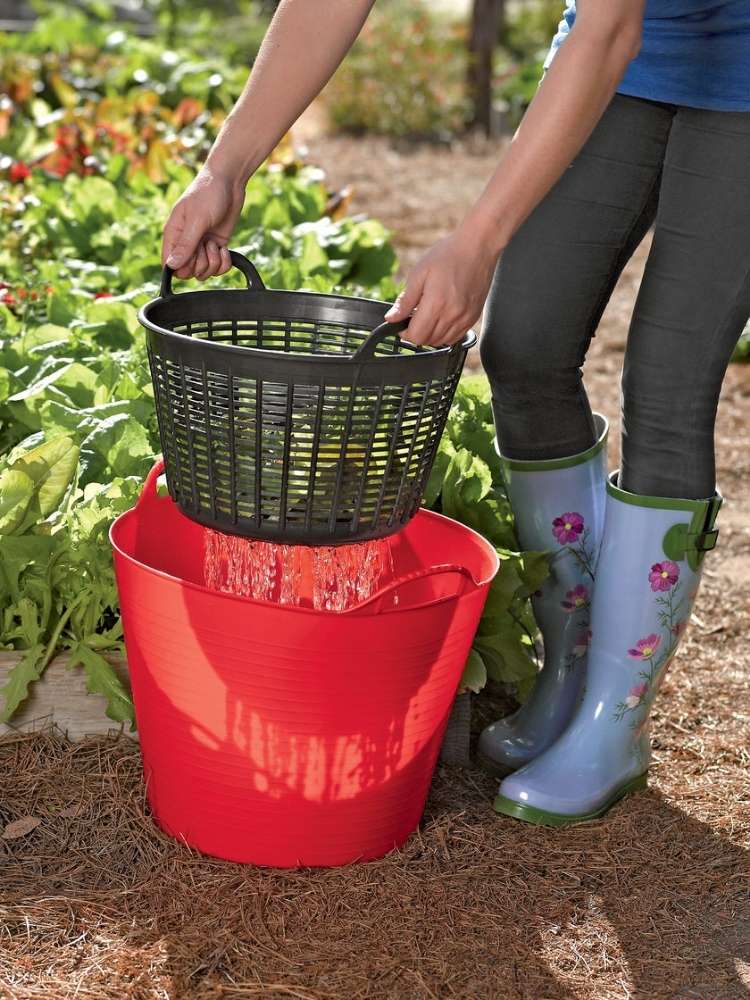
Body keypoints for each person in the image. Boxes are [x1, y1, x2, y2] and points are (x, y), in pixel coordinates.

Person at [162, 0, 749, 826]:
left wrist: (475, 243)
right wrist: (227, 166)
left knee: (667, 385)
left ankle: (614, 722)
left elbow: (613, 28)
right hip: (631, 55)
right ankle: (570, 672)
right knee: (526, 348)